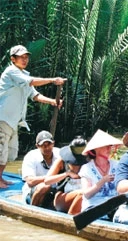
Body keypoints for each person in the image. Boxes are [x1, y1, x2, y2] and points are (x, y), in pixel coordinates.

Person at [0, 45, 66, 188]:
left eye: (26, 57)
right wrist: (53, 80)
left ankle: (1, 178)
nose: (25, 60)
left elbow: (35, 95)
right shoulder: (12, 72)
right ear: (13, 59)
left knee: (10, 152)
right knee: (1, 150)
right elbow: (32, 81)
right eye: (21, 57)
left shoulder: (23, 76)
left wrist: (53, 102)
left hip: (13, 121)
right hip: (3, 118)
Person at [79, 129, 122, 213]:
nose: (109, 148)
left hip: (114, 207)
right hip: (93, 208)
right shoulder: (86, 168)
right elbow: (87, 194)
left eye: (110, 146)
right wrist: (102, 181)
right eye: (105, 146)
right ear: (95, 149)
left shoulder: (117, 165)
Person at [44, 136, 87, 215]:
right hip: (63, 197)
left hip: (86, 197)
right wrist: (67, 174)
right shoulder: (62, 161)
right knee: (83, 193)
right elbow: (47, 181)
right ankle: (71, 219)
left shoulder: (90, 162)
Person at [21, 130, 60, 208]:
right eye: (43, 145)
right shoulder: (31, 156)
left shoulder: (60, 154)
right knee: (44, 186)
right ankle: (32, 210)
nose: (47, 148)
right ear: (37, 146)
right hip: (33, 192)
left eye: (49, 144)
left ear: (53, 143)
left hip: (55, 190)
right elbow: (30, 181)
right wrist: (51, 178)